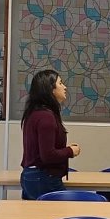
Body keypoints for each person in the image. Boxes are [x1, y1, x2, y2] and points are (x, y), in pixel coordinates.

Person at [20, 69, 81, 199]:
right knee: (63, 211)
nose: (65, 87)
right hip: (43, 178)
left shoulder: (34, 113)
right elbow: (48, 155)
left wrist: (65, 149)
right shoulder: (46, 117)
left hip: (31, 176)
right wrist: (70, 151)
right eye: (60, 83)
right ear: (50, 89)